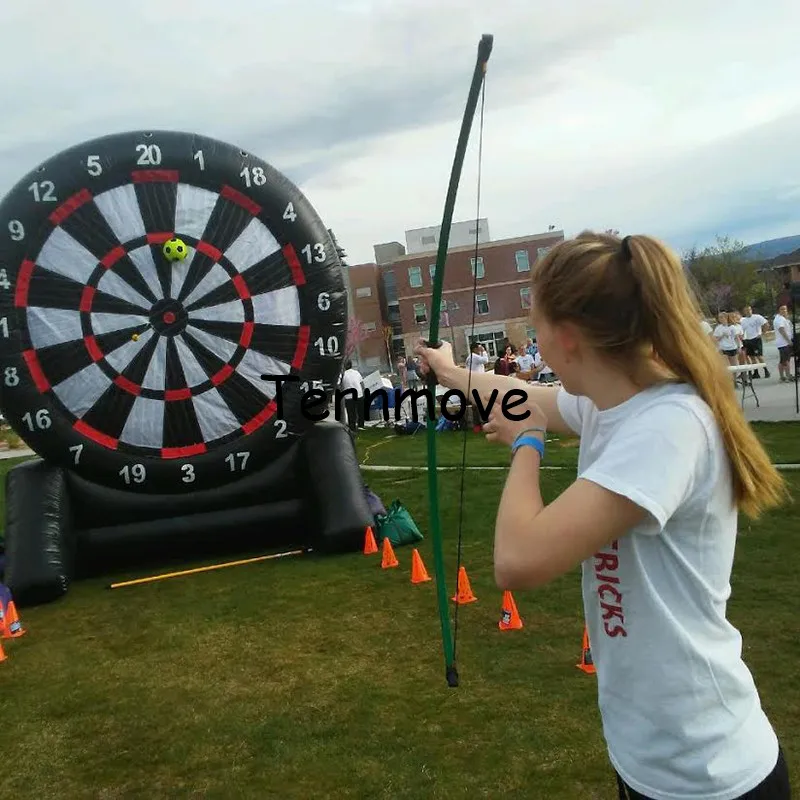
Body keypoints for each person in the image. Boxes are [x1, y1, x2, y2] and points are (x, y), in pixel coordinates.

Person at [415, 231, 790, 800]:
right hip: (650, 760)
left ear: (566, 339)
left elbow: (518, 562)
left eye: (536, 323)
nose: (535, 338)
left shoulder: (666, 429)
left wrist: (529, 445)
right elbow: (519, 396)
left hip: (709, 774)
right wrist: (448, 373)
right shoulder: (609, 404)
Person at [740, 306, 770, 379]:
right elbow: (742, 331)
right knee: (752, 357)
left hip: (756, 339)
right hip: (748, 340)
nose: (748, 311)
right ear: (744, 312)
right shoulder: (743, 320)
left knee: (759, 356)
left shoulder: (757, 317)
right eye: (746, 310)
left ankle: (766, 370)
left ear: (751, 310)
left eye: (749, 310)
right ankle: (756, 372)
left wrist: (762, 333)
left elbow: (766, 324)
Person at [339, 359, 365, 430]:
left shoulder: (343, 375)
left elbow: (340, 386)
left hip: (349, 396)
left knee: (351, 413)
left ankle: (352, 426)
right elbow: (362, 383)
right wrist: (363, 392)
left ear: (344, 366)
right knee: (360, 411)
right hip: (359, 394)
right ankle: (361, 425)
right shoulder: (356, 372)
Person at [772, 305, 795, 382]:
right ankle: (788, 376)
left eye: (785, 309)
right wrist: (788, 341)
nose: (784, 311)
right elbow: (782, 330)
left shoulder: (783, 319)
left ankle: (782, 377)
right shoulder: (779, 319)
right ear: (778, 310)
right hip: (783, 343)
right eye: (782, 309)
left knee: (783, 360)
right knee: (786, 361)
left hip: (784, 343)